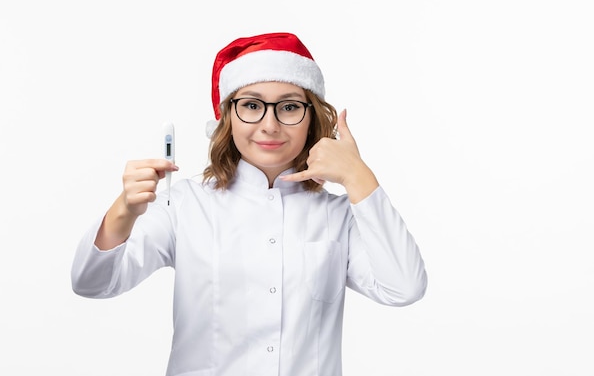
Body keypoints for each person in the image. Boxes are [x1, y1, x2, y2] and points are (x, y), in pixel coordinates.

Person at [71, 32, 428, 376]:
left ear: (311, 118)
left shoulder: (338, 216)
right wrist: (124, 210)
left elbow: (404, 287)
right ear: (228, 117)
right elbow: (93, 283)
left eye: (289, 107)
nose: (269, 125)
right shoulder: (184, 205)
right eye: (252, 106)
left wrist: (359, 178)